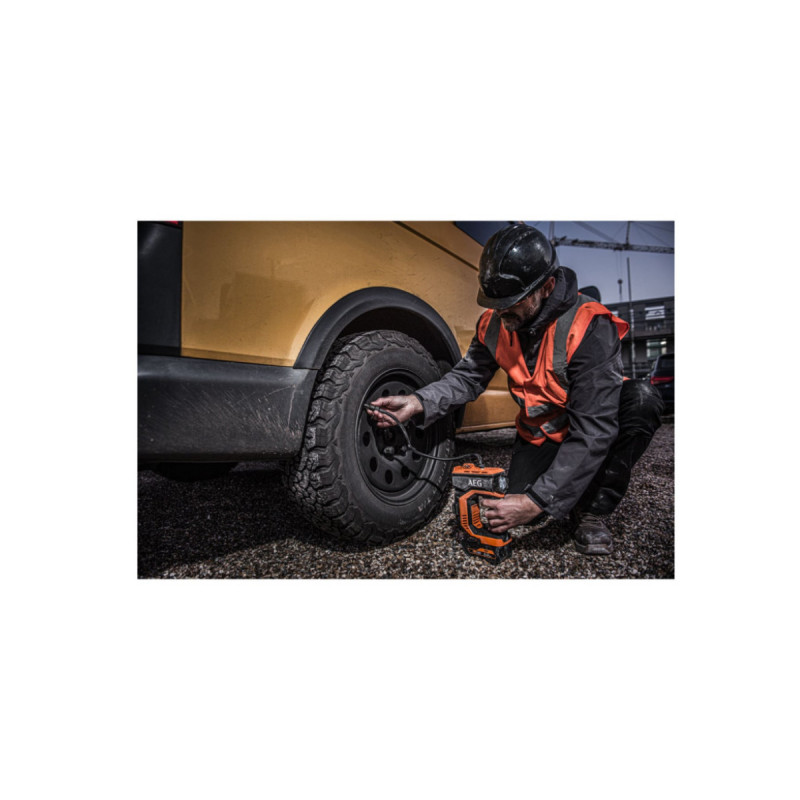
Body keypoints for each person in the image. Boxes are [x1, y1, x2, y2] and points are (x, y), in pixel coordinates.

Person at [366, 223, 664, 555]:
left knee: (642, 401)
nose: (501, 311)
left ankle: (592, 509)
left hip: (589, 423)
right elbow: (466, 378)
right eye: (495, 302)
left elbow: (594, 430)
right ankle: (564, 487)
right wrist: (418, 401)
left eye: (511, 302)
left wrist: (536, 500)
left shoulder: (588, 325)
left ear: (546, 287)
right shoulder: (495, 323)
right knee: (521, 507)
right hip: (542, 436)